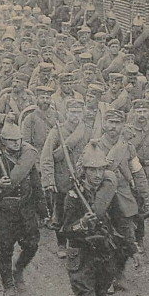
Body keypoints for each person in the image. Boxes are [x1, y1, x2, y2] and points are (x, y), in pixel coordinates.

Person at [60, 142, 125, 296]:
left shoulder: (107, 193)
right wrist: (82, 224)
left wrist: (131, 246)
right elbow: (65, 230)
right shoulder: (73, 196)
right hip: (81, 255)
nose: (97, 175)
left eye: (100, 169)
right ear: (83, 171)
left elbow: (119, 219)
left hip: (103, 254)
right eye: (92, 170)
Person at [0, 122, 45, 296]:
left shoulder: (26, 160)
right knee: (6, 249)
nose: (16, 143)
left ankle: (19, 269)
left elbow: (37, 186)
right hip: (3, 213)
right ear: (3, 141)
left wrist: (44, 211)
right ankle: (8, 285)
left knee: (32, 244)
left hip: (25, 211)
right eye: (11, 140)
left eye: (18, 140)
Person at [93, 109, 149, 291]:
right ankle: (106, 276)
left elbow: (137, 172)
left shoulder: (128, 147)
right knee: (103, 238)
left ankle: (119, 271)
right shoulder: (95, 146)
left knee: (127, 238)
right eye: (110, 122)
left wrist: (144, 194)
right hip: (102, 199)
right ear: (104, 124)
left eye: (117, 123)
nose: (113, 127)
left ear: (122, 125)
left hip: (124, 198)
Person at [40, 98, 89, 258]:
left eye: (78, 112)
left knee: (77, 213)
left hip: (81, 179)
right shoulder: (57, 131)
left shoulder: (86, 131)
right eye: (72, 112)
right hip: (62, 180)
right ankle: (61, 244)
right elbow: (47, 156)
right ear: (66, 113)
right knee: (60, 213)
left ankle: (75, 244)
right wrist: (48, 181)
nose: (75, 115)